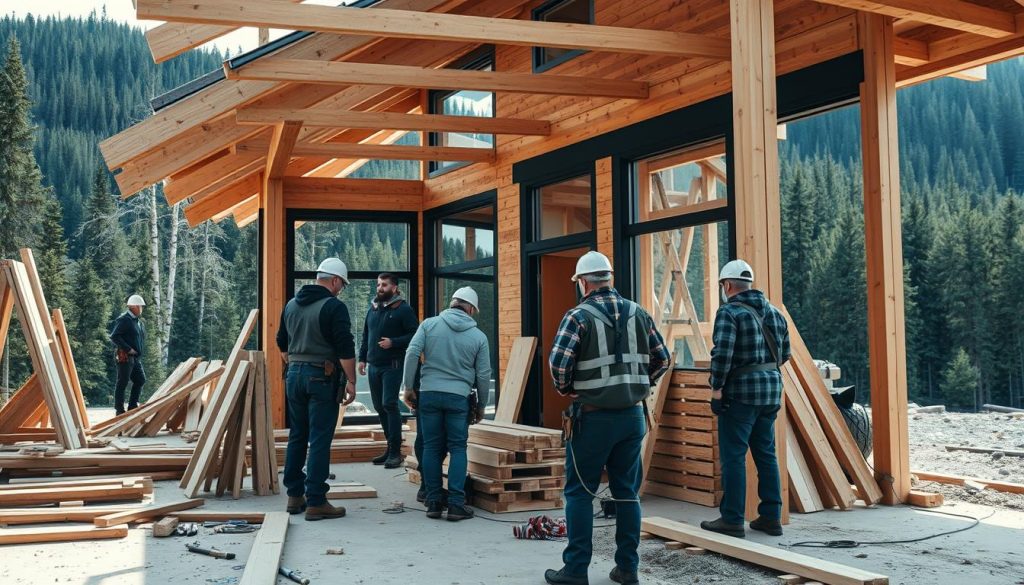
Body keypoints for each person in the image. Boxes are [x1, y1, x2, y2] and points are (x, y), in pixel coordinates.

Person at [544, 251, 670, 585]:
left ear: (582, 282)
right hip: (632, 417)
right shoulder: (639, 313)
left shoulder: (578, 316)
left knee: (580, 493)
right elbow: (663, 359)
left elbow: (558, 365)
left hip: (592, 418)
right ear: (608, 278)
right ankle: (627, 569)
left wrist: (569, 388)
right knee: (627, 493)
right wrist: (637, 383)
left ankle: (575, 570)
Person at [700, 259, 791, 539]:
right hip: (771, 390)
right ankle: (771, 517)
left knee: (734, 457)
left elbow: (722, 355)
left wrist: (716, 390)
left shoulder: (729, 313)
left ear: (727, 285)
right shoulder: (775, 313)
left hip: (740, 394)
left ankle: (732, 519)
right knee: (766, 454)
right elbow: (784, 354)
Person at [276, 257, 358, 522]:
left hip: (294, 376)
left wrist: (295, 364)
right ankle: (317, 500)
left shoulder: (290, 305)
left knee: (298, 435)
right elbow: (345, 348)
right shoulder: (333, 307)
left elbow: (281, 342)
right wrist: (352, 380)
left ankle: (294, 495)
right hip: (321, 377)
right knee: (320, 438)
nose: (340, 289)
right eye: (341, 285)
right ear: (334, 281)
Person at [402, 286, 490, 522]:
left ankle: (433, 502)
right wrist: (482, 405)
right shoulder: (479, 337)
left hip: (429, 394)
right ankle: (455, 505)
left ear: (452, 303)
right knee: (458, 448)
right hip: (459, 398)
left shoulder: (429, 325)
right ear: (470, 308)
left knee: (430, 447)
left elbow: (411, 353)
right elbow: (483, 375)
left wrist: (408, 388)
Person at [358, 273, 419, 469]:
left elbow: (415, 336)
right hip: (373, 365)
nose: (380, 288)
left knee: (389, 404)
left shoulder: (403, 309)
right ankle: (389, 448)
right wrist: (362, 359)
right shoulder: (373, 308)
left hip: (392, 364)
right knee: (378, 406)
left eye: (384, 285)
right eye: (378, 284)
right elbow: (366, 334)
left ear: (394, 287)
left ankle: (396, 452)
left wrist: (394, 342)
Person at [109, 294, 147, 415]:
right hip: (124, 356)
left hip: (135, 358)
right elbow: (114, 336)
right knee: (123, 381)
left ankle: (132, 406)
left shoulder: (137, 321)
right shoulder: (124, 319)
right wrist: (128, 349)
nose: (142, 309)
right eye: (140, 306)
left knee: (140, 380)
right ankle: (119, 410)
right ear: (134, 307)